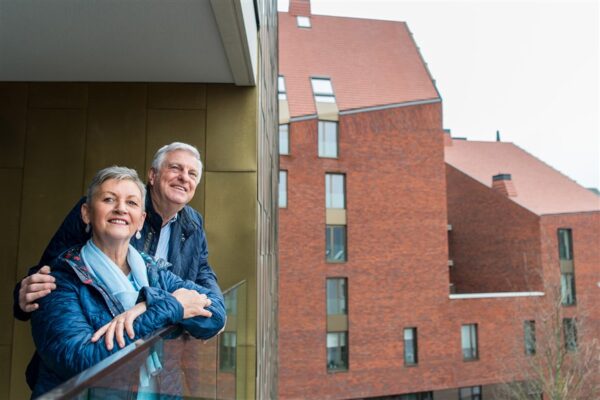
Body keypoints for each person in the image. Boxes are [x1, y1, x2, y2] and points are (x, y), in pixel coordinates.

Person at [14, 142, 223, 387]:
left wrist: (150, 303)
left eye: (192, 173)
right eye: (175, 168)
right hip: (89, 370)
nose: (184, 177)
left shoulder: (188, 228)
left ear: (140, 219)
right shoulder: (103, 214)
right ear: (153, 175)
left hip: (158, 369)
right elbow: (53, 271)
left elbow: (203, 273)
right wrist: (23, 296)